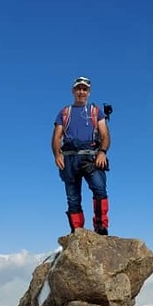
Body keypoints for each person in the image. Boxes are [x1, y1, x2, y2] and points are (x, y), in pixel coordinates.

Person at [51, 76, 111, 235]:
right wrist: (57, 155)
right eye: (78, 89)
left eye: (84, 89)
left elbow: (105, 134)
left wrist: (102, 153)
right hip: (69, 158)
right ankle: (77, 231)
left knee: (100, 190)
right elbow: (56, 136)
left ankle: (100, 227)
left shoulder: (95, 111)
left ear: (89, 92)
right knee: (72, 197)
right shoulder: (65, 112)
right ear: (73, 91)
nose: (81, 92)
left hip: (91, 157)